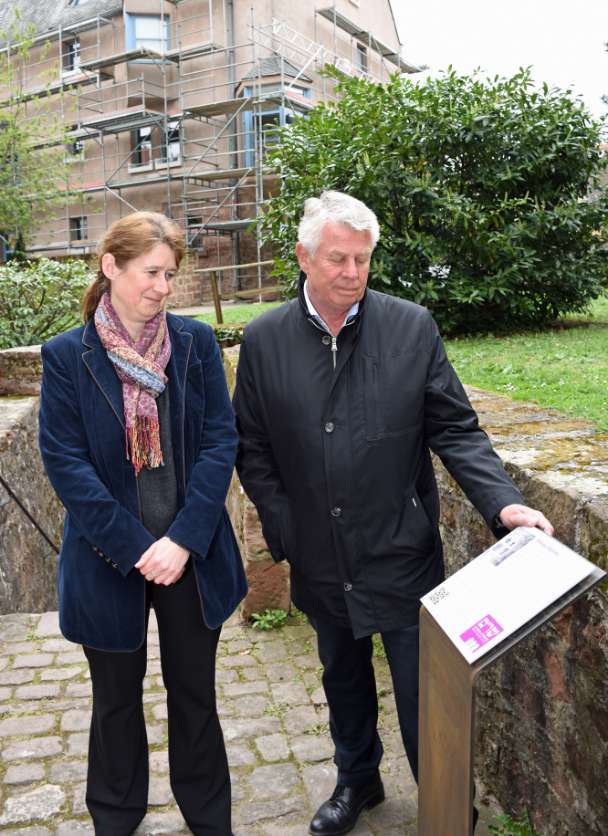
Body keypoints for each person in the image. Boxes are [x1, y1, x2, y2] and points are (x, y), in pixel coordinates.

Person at [233, 191, 553, 836]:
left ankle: (443, 800)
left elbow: (456, 429)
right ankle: (358, 780)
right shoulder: (265, 339)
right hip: (320, 551)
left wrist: (504, 501)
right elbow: (253, 446)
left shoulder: (411, 326)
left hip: (401, 544)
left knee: (421, 689)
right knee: (343, 676)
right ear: (303, 257)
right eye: (337, 259)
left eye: (362, 259)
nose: (352, 273)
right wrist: (284, 525)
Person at [38, 211, 247, 836]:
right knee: (115, 706)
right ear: (111, 268)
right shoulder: (66, 358)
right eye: (152, 272)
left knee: (195, 699)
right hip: (109, 561)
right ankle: (117, 819)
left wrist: (182, 539)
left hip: (191, 556)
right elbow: (67, 465)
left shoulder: (194, 344)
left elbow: (219, 441)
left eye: (170, 274)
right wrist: (137, 547)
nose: (163, 286)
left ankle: (210, 820)